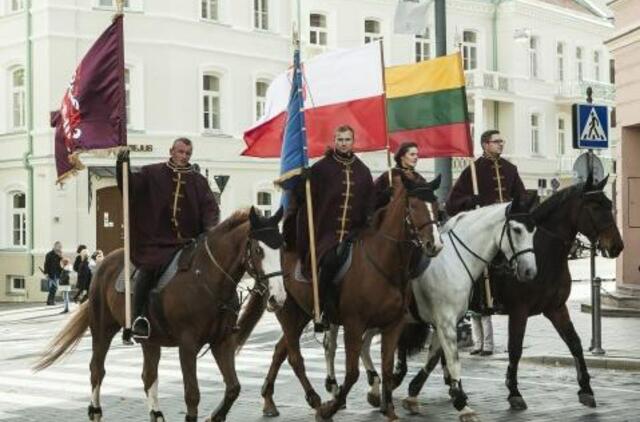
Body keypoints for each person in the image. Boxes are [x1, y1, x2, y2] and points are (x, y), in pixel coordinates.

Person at [117, 137, 220, 339]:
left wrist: (210, 230)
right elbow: (129, 187)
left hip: (190, 241)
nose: (184, 156)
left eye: (188, 153)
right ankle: (138, 318)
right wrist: (122, 165)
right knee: (149, 268)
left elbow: (210, 208)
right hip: (158, 241)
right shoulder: (151, 173)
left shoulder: (199, 181)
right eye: (180, 152)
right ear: (171, 150)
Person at [446, 129, 526, 356]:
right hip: (483, 238)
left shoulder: (511, 170)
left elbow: (520, 198)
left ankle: (490, 341)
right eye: (496, 141)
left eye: (502, 141)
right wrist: (470, 201)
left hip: (507, 234)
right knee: (481, 292)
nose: (501, 144)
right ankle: (481, 342)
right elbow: (452, 204)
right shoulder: (472, 170)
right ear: (484, 144)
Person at [294, 125, 375, 329]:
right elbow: (305, 197)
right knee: (330, 261)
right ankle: (319, 309)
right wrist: (303, 182)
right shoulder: (322, 168)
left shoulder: (363, 171)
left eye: (347, 139)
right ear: (334, 140)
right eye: (340, 139)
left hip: (355, 233)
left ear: (353, 142)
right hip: (328, 234)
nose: (343, 143)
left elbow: (369, 202)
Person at [374, 141, 426, 208]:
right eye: (412, 154)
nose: (416, 157)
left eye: (417, 154)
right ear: (402, 157)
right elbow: (372, 199)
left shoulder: (419, 178)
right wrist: (385, 195)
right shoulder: (389, 175)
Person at [43, 241, 63, 306]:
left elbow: (62, 263)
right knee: (53, 287)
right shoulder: (49, 254)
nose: (60, 248)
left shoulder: (59, 254)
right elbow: (46, 264)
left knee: (54, 288)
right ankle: (50, 301)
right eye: (59, 246)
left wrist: (60, 257)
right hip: (51, 273)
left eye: (60, 247)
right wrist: (46, 273)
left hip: (57, 273)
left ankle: (50, 301)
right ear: (55, 246)